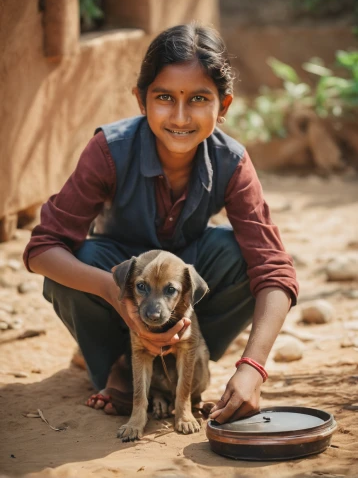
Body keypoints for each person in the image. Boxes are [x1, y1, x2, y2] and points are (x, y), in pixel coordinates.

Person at [23, 23, 298, 424]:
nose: (181, 116)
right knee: (76, 261)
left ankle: (184, 362)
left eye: (199, 99)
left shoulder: (232, 161)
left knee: (238, 255)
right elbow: (41, 249)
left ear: (223, 106)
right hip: (119, 274)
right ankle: (120, 362)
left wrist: (252, 367)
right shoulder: (109, 150)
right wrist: (117, 295)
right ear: (141, 100)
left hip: (185, 283)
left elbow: (275, 271)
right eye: (165, 97)